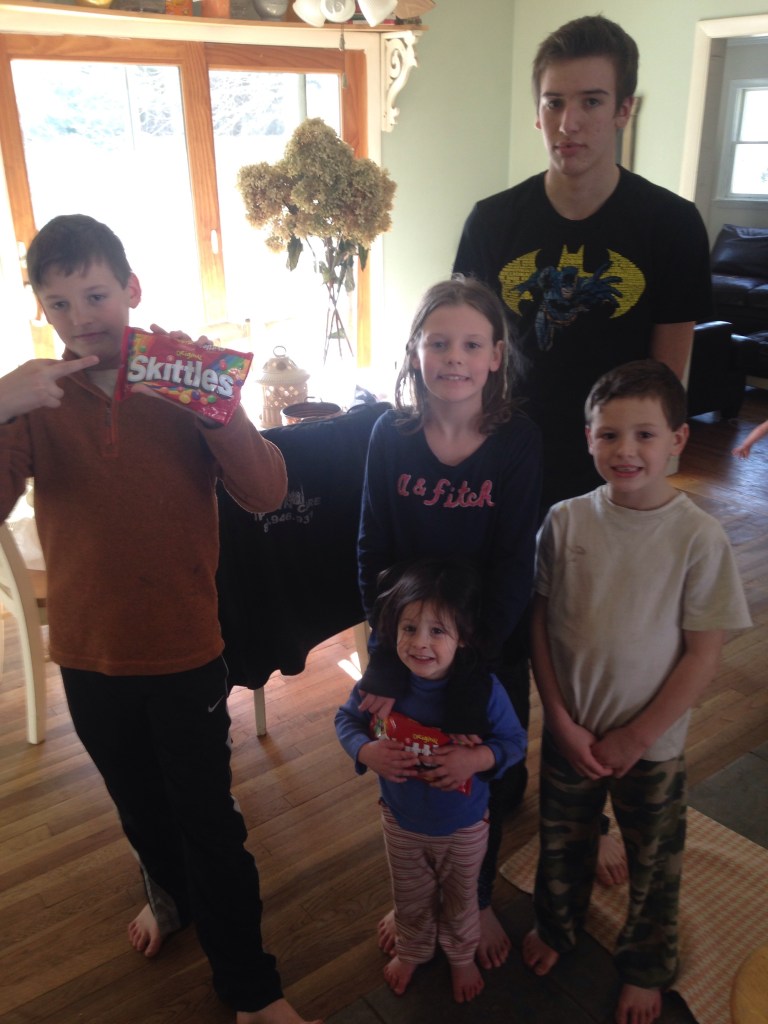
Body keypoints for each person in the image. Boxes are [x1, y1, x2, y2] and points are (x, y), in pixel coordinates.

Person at [0, 214, 318, 1024]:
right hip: (87, 655)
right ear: (42, 310)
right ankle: (170, 895)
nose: (81, 318)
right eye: (59, 303)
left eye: (96, 295)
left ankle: (252, 989)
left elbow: (267, 492)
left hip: (184, 651)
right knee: (137, 803)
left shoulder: (184, 379)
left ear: (132, 289)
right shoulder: (36, 400)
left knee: (209, 820)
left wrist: (220, 410)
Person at [453, 13, 713, 888]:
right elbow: (471, 354)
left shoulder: (670, 225)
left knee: (597, 651)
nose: (570, 123)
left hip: (614, 477)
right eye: (554, 103)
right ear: (536, 110)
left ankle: (595, 807)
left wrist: (649, 483)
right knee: (500, 637)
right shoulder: (492, 222)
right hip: (508, 469)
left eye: (592, 102)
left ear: (625, 109)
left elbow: (667, 376)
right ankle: (499, 784)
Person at [523, 360, 751, 1024]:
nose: (626, 450)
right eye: (609, 435)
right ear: (588, 438)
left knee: (654, 861)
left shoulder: (698, 538)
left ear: (678, 439)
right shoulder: (564, 522)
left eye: (645, 435)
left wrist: (638, 736)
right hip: (571, 733)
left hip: (651, 748)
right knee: (562, 842)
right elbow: (539, 624)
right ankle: (556, 927)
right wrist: (558, 718)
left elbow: (704, 654)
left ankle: (648, 966)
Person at [356, 276, 542, 968]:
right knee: (410, 768)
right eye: (439, 343)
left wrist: (472, 666)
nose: (454, 358)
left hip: (488, 647)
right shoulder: (390, 434)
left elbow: (516, 561)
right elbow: (371, 549)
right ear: (415, 351)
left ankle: (478, 898)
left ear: (495, 356)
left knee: (484, 778)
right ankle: (414, 895)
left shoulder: (518, 440)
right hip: (408, 648)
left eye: (470, 344)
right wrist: (385, 653)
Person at [335, 557, 527, 1003]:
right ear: (392, 631)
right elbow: (346, 720)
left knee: (462, 899)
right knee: (409, 896)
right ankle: (413, 950)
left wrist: (475, 759)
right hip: (400, 822)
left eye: (437, 630)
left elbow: (514, 743)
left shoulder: (485, 692)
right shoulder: (382, 686)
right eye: (409, 628)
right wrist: (365, 751)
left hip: (464, 827)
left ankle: (461, 957)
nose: (420, 642)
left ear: (463, 638)